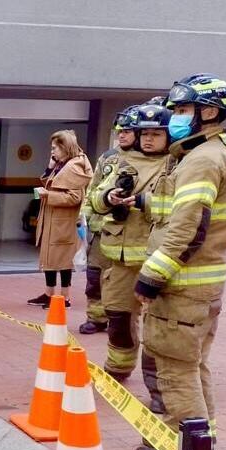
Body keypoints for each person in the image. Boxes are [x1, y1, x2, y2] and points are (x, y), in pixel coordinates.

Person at [128, 74, 226, 450]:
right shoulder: (216, 154)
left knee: (175, 369)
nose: (174, 118)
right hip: (204, 285)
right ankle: (203, 438)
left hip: (182, 286)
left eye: (181, 110)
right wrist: (140, 200)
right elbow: (178, 210)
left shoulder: (202, 159)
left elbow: (188, 224)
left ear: (208, 112)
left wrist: (152, 275)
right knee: (195, 365)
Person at [91, 103, 173, 413]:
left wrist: (140, 200)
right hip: (119, 255)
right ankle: (117, 366)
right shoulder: (118, 161)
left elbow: (177, 206)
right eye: (144, 134)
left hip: (156, 256)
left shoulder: (175, 164)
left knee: (157, 326)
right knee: (118, 315)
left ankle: (157, 388)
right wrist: (108, 198)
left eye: (156, 134)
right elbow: (95, 197)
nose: (149, 139)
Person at [78, 108, 140, 334]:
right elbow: (93, 188)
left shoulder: (144, 161)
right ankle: (96, 318)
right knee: (94, 278)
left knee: (118, 281)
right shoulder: (107, 157)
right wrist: (83, 217)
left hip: (126, 232)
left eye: (127, 131)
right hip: (98, 228)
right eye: (119, 131)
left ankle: (117, 317)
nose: (121, 135)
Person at [28, 130, 94, 308]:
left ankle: (65, 297)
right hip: (53, 219)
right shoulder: (62, 164)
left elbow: (74, 197)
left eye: (55, 148)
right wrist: (50, 167)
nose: (52, 151)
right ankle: (49, 293)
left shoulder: (73, 167)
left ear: (65, 148)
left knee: (63, 259)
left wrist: (48, 196)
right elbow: (50, 182)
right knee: (50, 258)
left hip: (63, 222)